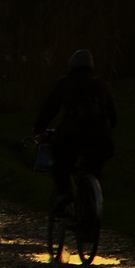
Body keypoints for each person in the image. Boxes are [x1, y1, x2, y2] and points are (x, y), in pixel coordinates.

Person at [33, 49, 117, 202]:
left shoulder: (65, 84)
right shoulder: (102, 85)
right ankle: (92, 196)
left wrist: (39, 128)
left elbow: (49, 109)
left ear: (71, 67)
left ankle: (65, 193)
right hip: (102, 140)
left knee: (61, 165)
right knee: (94, 168)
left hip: (72, 138)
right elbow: (113, 117)